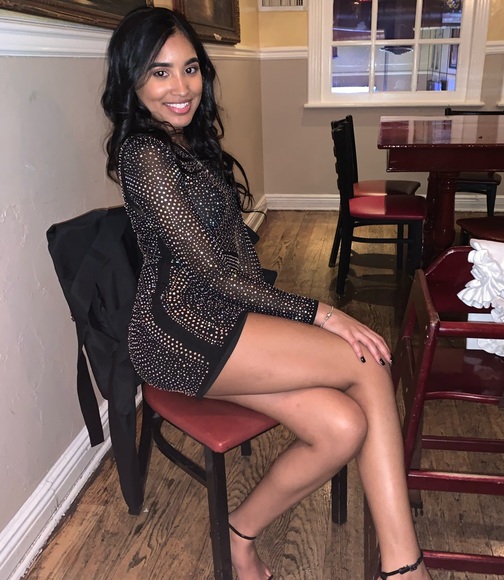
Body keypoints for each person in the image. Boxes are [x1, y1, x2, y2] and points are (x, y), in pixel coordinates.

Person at [102, 7, 430, 580]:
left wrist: (292, 319)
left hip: (221, 316)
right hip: (178, 332)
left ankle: (238, 535)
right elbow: (212, 272)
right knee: (368, 360)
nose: (181, 87)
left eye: (190, 68)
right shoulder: (144, 153)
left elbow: (239, 257)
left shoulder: (190, 143)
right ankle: (404, 567)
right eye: (159, 72)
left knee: (342, 427)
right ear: (131, 80)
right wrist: (320, 314)